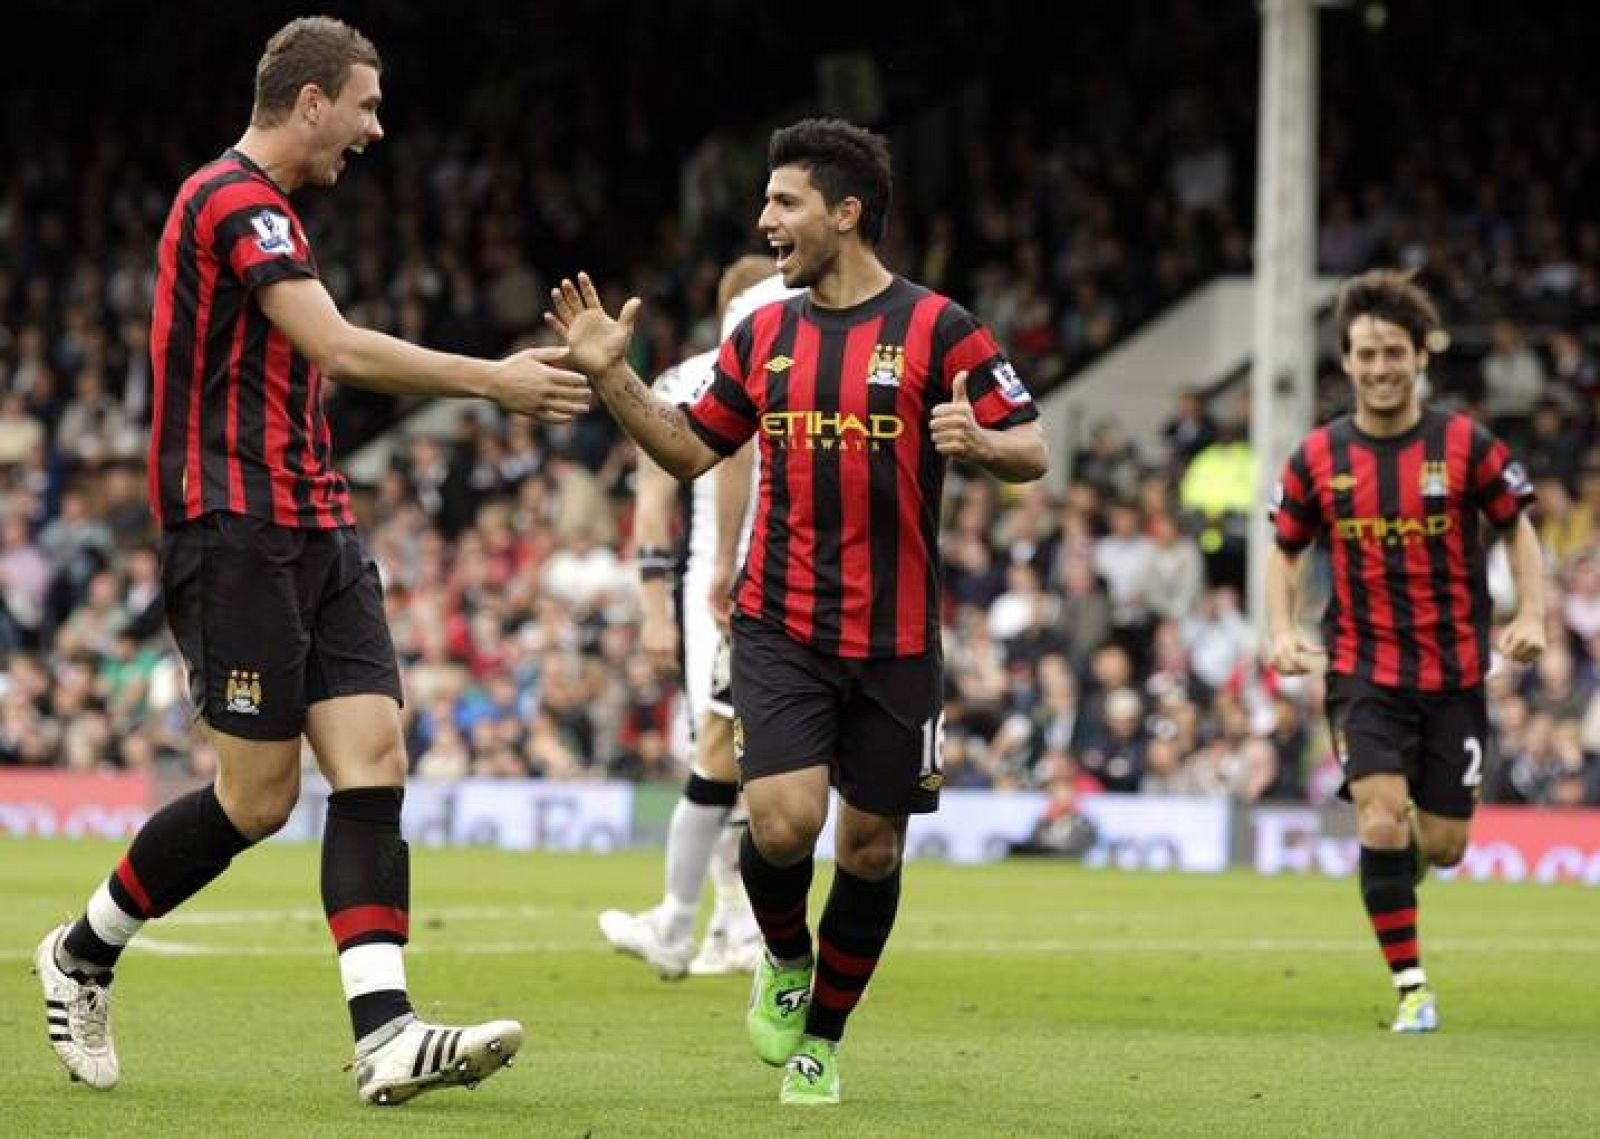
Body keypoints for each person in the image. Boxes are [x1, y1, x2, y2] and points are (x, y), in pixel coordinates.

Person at [33, 16, 590, 1105]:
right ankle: (83, 951)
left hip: (317, 524)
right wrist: (494, 378)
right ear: (309, 101)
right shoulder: (229, 199)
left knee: (374, 749)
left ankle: (385, 1033)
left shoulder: (275, 211)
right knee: (256, 796)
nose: (376, 129)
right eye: (367, 106)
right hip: (231, 529)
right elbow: (334, 345)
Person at [546, 118, 1049, 1104]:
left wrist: (983, 446)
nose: (765, 219)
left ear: (844, 212)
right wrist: (612, 375)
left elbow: (1029, 442)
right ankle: (783, 960)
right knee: (780, 823)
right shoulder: (765, 332)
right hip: (778, 621)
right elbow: (688, 449)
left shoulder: (940, 328)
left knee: (869, 846)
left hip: (899, 638)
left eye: (785, 203)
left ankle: (823, 1033)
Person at [1267, 269, 1545, 1034]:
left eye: (1394, 351)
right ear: (1347, 361)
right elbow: (1285, 548)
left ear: (1421, 356)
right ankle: (1413, 989)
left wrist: (1534, 613)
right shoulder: (1317, 457)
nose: (1380, 366)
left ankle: (1400, 869)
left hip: (1455, 674)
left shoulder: (1465, 445)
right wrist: (1283, 629)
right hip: (1363, 672)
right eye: (1365, 353)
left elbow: (1520, 524)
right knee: (1381, 819)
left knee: (1447, 846)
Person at [598, 254, 795, 979]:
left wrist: (658, 609)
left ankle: (713, 924)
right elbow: (655, 506)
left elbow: (651, 510)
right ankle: (729, 923)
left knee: (722, 757)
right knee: (729, 760)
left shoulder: (684, 382)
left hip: (722, 593)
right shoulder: (789, 364)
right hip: (745, 586)